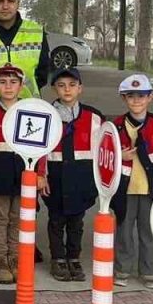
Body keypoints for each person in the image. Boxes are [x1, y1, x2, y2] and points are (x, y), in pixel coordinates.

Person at [0, 64, 39, 284]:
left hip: (25, 173)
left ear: (21, 86)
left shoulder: (32, 111)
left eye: (13, 82)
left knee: (18, 218)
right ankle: (0, 260)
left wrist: (41, 174)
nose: (8, 86)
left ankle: (16, 258)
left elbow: (43, 148)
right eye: (2, 82)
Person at [112, 74, 153, 290]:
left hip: (152, 188)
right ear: (124, 98)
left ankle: (148, 271)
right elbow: (105, 155)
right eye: (131, 96)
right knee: (124, 231)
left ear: (150, 97)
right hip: (124, 189)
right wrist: (122, 157)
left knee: (148, 232)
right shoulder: (114, 126)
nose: (136, 101)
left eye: (142, 96)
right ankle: (122, 269)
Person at [44, 68, 105, 283]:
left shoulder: (94, 117)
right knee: (56, 219)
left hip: (82, 176)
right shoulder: (45, 114)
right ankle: (58, 259)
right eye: (61, 85)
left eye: (72, 85)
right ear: (54, 89)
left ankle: (73, 257)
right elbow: (38, 148)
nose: (67, 89)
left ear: (80, 88)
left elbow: (104, 148)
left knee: (77, 221)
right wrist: (41, 175)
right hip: (55, 175)